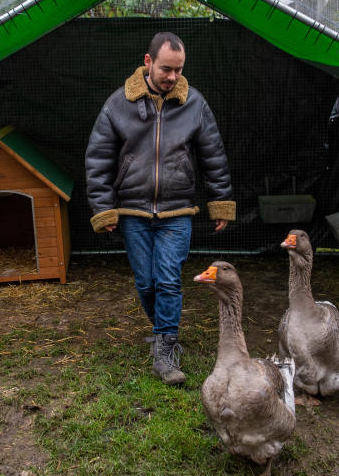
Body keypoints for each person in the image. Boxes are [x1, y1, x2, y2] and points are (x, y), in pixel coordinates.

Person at [85, 32, 235, 385]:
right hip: (133, 211)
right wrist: (104, 208)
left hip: (177, 210)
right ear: (148, 62)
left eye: (179, 70)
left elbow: (213, 156)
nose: (173, 77)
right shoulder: (117, 105)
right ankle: (162, 332)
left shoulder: (194, 104)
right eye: (167, 69)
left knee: (168, 280)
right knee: (146, 282)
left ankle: (166, 348)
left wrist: (220, 204)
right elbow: (98, 160)